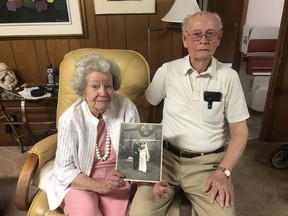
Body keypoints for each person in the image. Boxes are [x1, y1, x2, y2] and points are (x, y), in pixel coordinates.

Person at [130, 11, 249, 216]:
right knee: (140, 213)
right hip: (164, 159)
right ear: (185, 39)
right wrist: (145, 162)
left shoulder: (229, 77)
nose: (203, 40)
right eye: (196, 34)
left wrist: (223, 172)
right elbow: (144, 108)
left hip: (207, 164)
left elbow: (240, 133)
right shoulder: (167, 71)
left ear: (219, 39)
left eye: (210, 34)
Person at [46, 54, 140, 216]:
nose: (103, 92)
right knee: (86, 211)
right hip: (80, 181)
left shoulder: (126, 107)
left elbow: (138, 155)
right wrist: (100, 185)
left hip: (116, 181)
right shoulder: (70, 119)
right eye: (95, 86)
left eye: (108, 86)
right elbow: (63, 171)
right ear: (83, 92)